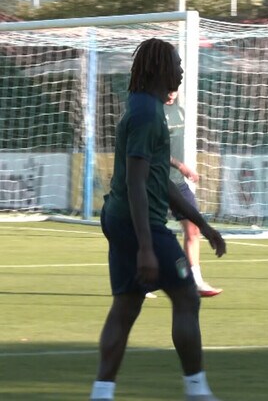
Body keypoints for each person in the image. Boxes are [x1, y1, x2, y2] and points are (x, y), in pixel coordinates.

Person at [90, 38, 226, 401]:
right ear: (159, 68)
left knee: (127, 303)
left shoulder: (143, 106)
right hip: (138, 224)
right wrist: (147, 249)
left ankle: (101, 393)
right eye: (177, 63)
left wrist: (203, 223)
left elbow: (157, 180)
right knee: (185, 296)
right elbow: (137, 182)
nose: (181, 70)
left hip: (120, 220)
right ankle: (197, 390)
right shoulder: (148, 114)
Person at [166, 91, 223, 297]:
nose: (171, 93)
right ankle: (140, 281)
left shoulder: (180, 110)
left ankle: (195, 281)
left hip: (179, 183)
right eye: (167, 87)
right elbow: (154, 149)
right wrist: (181, 166)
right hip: (156, 182)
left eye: (175, 88)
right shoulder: (152, 112)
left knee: (193, 230)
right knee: (147, 232)